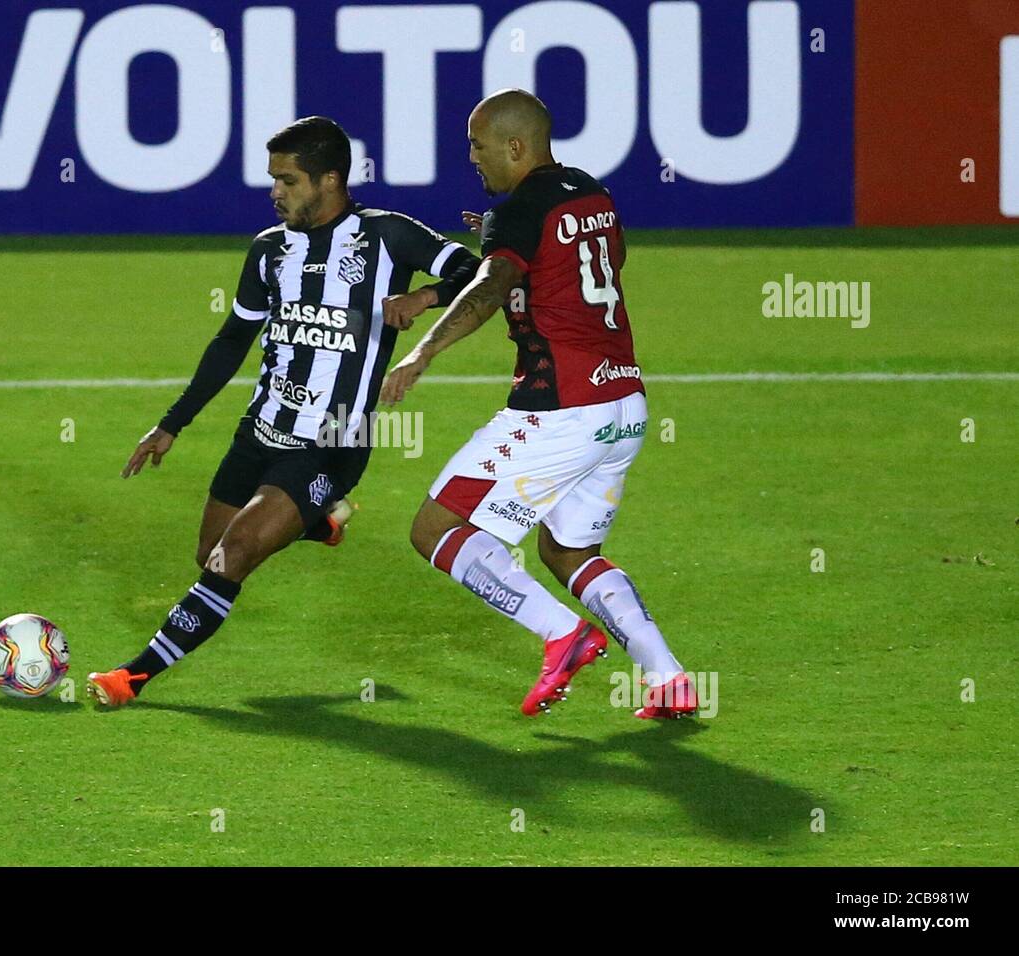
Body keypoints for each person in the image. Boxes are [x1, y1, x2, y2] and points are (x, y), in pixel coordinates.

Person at [87, 116, 479, 707]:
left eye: (288, 181)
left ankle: (132, 677)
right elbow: (230, 342)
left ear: (331, 180)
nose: (276, 193)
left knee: (231, 558)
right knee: (208, 557)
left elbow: (475, 271)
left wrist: (422, 297)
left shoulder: (388, 235)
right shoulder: (269, 251)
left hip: (332, 438)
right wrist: (172, 422)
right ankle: (318, 521)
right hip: (261, 428)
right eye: (274, 180)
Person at [380, 90, 697, 719]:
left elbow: (494, 287)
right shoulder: (591, 193)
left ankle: (562, 632)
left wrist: (422, 355)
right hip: (623, 405)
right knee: (566, 550)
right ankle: (668, 678)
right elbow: (579, 263)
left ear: (515, 145)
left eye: (478, 144)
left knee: (435, 530)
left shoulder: (520, 211)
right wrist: (486, 246)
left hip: (558, 410)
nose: (471, 156)